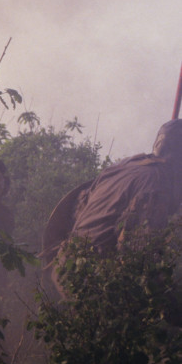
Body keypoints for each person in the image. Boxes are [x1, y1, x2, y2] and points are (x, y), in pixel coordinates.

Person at [43, 118, 182, 292]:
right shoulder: (157, 184)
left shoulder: (125, 166)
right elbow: (139, 254)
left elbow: (77, 209)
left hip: (62, 267)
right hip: (91, 283)